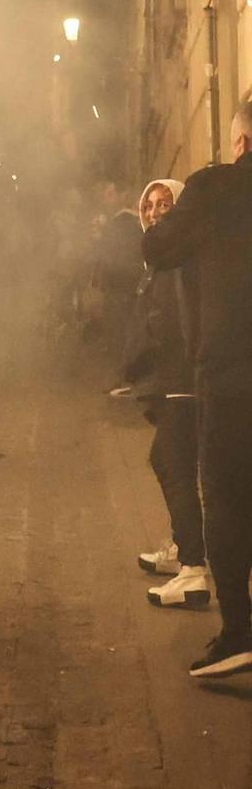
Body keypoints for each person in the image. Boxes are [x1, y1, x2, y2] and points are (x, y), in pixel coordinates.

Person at [143, 102, 252, 681]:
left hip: (234, 377)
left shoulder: (215, 187)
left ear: (240, 142)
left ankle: (240, 632)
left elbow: (157, 250)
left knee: (229, 502)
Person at [117, 178, 207, 609]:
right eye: (149, 205)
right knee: (172, 463)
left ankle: (193, 567)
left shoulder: (177, 260)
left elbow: (173, 323)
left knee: (173, 465)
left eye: (165, 203)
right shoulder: (161, 261)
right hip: (171, 382)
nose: (154, 211)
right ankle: (183, 549)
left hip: (180, 383)